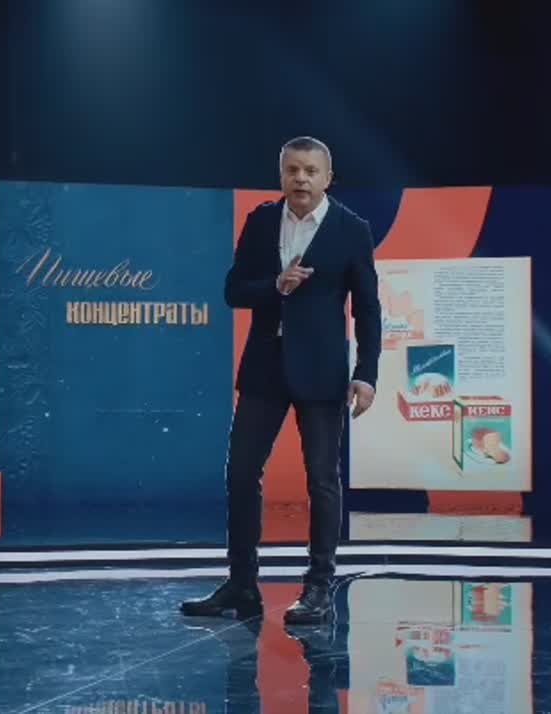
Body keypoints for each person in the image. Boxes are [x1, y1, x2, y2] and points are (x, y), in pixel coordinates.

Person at [181, 136, 381, 625]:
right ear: (281, 175)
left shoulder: (352, 229)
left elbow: (368, 309)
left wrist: (366, 374)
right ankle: (242, 585)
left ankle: (318, 588)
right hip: (265, 368)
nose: (301, 179)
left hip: (322, 373)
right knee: (241, 473)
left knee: (322, 480)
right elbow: (234, 291)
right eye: (293, 170)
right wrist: (276, 286)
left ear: (328, 178)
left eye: (310, 171)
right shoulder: (261, 221)